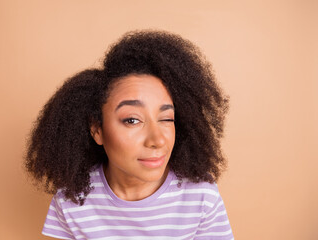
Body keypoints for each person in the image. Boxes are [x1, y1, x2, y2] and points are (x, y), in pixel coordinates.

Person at [25, 30, 234, 239]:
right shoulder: (72, 200)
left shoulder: (200, 197)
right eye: (132, 120)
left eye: (166, 119)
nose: (158, 140)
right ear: (97, 129)